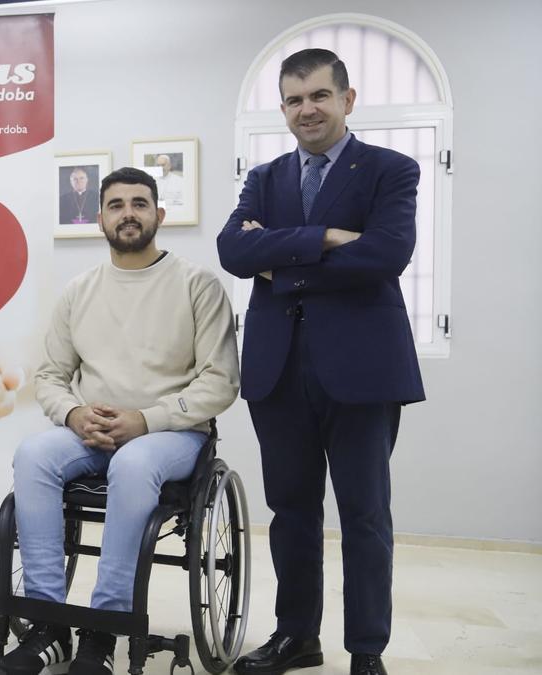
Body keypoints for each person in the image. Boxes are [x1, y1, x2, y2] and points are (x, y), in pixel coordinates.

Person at [217, 49, 423, 675]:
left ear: (347, 100)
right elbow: (232, 250)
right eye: (293, 99)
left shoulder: (391, 169)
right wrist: (327, 237)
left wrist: (278, 258)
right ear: (282, 107)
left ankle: (367, 651)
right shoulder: (265, 177)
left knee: (365, 515)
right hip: (278, 371)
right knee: (291, 512)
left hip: (361, 369)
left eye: (319, 96)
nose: (306, 109)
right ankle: (296, 637)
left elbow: (386, 256)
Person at [0, 167, 239, 675]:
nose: (127, 213)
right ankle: (49, 623)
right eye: (115, 205)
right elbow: (49, 375)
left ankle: (105, 626)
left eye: (138, 203)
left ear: (159, 215)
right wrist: (73, 412)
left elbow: (220, 383)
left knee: (132, 465)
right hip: (91, 429)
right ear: (100, 219)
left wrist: (145, 420)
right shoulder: (79, 291)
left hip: (171, 434)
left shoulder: (198, 285)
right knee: (33, 455)